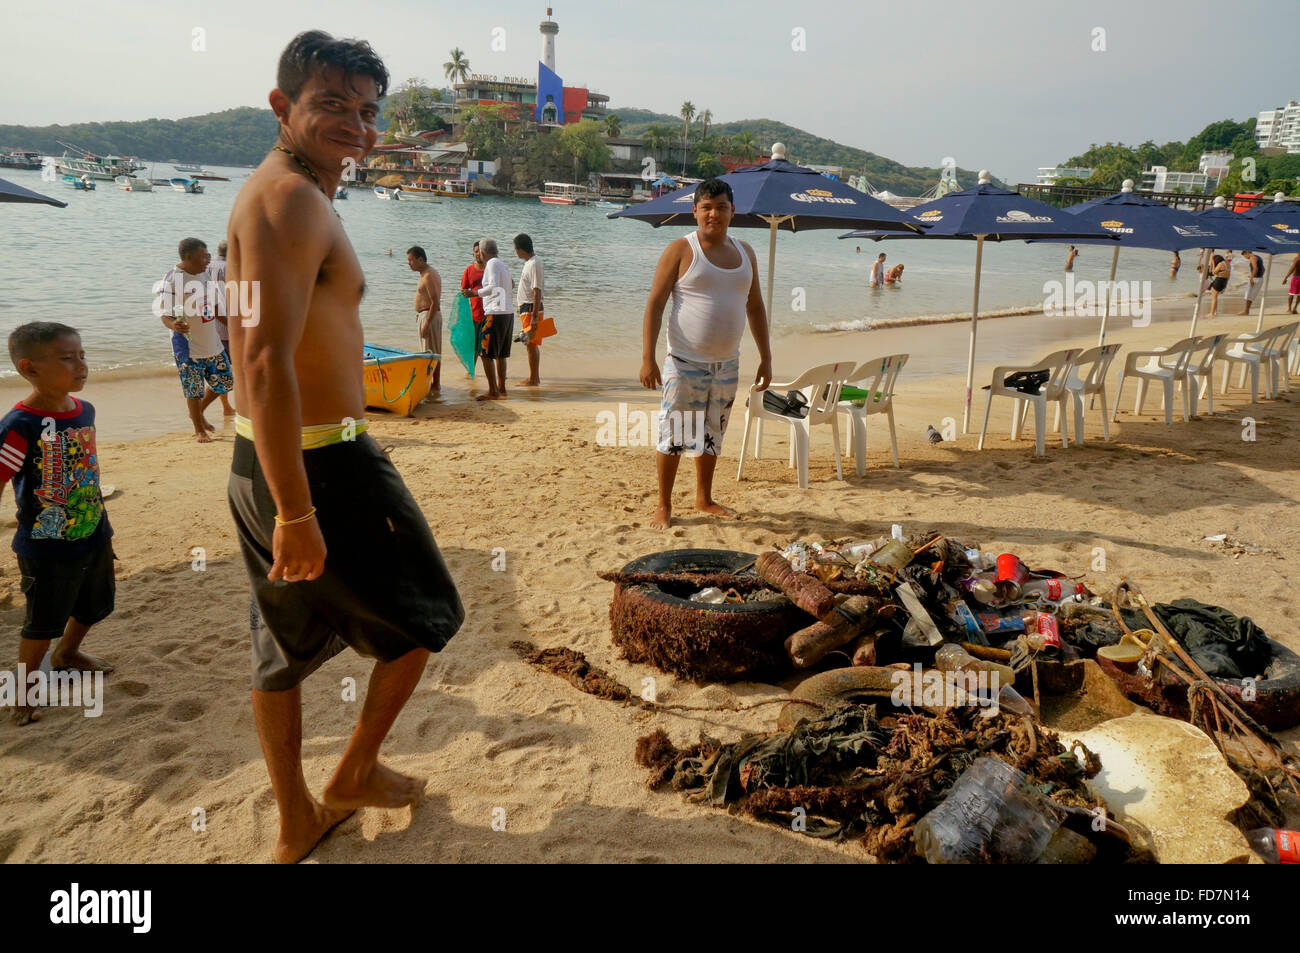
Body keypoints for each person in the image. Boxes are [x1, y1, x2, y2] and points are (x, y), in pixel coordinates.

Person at [223, 30, 464, 864]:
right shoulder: (291, 199)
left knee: (282, 644)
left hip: (266, 453)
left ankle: (297, 817)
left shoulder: (275, 192)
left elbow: (255, 349)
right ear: (282, 104)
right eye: (333, 104)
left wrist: (279, 491)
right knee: (429, 616)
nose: (357, 125)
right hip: (319, 462)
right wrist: (297, 507)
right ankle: (354, 768)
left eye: (367, 111)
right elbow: (262, 356)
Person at [639, 177, 773, 531]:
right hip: (684, 362)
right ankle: (664, 505)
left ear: (733, 211)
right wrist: (647, 358)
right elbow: (655, 304)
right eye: (707, 207)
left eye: (722, 207)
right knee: (675, 434)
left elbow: (755, 307)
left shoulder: (746, 252)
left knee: (713, 432)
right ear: (694, 210)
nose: (714, 214)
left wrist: (767, 357)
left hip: (728, 363)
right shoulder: (681, 250)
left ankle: (704, 497)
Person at [1, 323, 116, 726]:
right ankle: (27, 688)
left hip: (93, 529)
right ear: (29, 368)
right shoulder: (20, 425)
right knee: (41, 621)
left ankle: (68, 653)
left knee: (95, 603)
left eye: (82, 355)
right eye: (68, 359)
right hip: (46, 545)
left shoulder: (84, 410)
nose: (81, 366)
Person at [156, 237, 234, 442]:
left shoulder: (205, 274)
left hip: (211, 339)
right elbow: (165, 314)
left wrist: (233, 327)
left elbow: (215, 307)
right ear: (188, 257)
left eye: (208, 256)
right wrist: (174, 325)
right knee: (194, 388)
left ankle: (197, 413)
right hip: (186, 343)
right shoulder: (173, 278)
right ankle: (199, 430)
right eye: (203, 257)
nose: (207, 260)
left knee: (225, 382)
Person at [468, 238, 513, 400]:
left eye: (478, 251)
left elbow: (493, 287)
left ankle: (493, 390)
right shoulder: (502, 264)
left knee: (484, 353)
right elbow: (510, 285)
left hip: (496, 313)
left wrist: (475, 293)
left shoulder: (492, 264)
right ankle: (501, 388)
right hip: (507, 312)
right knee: (500, 354)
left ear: (482, 252)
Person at [406, 245, 442, 394]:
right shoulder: (425, 273)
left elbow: (435, 301)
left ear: (420, 259)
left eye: (411, 260)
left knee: (431, 353)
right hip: (427, 315)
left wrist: (426, 323)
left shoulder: (428, 275)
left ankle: (435, 384)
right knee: (429, 352)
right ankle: (432, 384)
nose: (409, 263)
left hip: (430, 315)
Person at [209, 239, 236, 417]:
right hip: (229, 327)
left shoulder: (205, 266)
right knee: (238, 369)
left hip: (210, 328)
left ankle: (226, 406)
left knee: (220, 368)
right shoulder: (232, 268)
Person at [514, 233, 544, 386]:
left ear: (521, 249)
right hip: (527, 307)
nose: (515, 252)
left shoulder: (534, 263)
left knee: (531, 343)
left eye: (515, 249)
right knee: (529, 343)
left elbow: (537, 290)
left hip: (531, 307)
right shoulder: (530, 262)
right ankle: (534, 377)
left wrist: (533, 316)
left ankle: (534, 378)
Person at [459, 241, 488, 378]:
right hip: (475, 313)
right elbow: (463, 291)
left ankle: (497, 373)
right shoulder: (469, 270)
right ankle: (471, 371)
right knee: (474, 346)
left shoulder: (492, 268)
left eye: (480, 251)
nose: (478, 254)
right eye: (475, 251)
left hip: (490, 312)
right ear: (473, 253)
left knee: (489, 345)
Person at [1239, 249, 1264, 316]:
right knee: (1251, 296)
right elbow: (1263, 269)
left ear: (1247, 253)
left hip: (1255, 278)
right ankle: (1247, 311)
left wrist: (1252, 278)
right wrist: (1259, 275)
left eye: (1244, 256)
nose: (1245, 258)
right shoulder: (1259, 257)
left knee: (1248, 295)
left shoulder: (1252, 258)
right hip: (1260, 278)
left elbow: (1255, 268)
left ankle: (1246, 312)